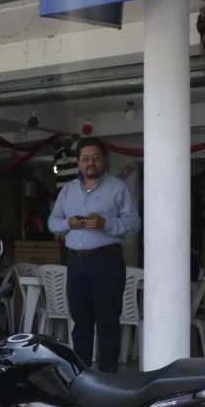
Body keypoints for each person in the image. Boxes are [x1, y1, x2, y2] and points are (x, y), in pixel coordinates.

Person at [47, 137, 140, 373]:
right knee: (81, 323)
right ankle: (81, 376)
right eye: (86, 158)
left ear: (104, 161)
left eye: (96, 158)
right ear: (78, 163)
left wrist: (105, 223)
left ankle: (108, 379)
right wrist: (68, 223)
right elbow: (52, 222)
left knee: (108, 323)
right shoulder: (67, 191)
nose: (91, 163)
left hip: (107, 261)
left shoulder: (118, 188)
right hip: (76, 262)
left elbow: (133, 223)